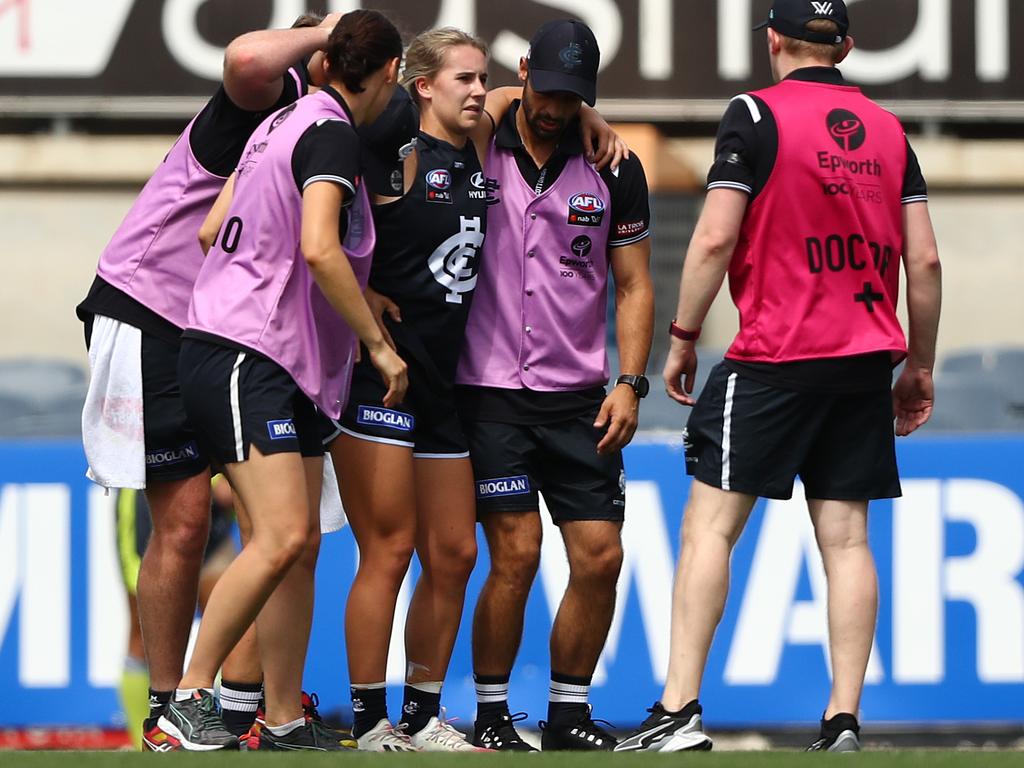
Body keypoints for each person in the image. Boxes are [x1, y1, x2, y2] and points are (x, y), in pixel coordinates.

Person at [615, 0, 941, 753]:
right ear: (848, 48)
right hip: (863, 363)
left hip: (774, 358)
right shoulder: (889, 132)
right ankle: (843, 720)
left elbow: (714, 236)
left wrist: (683, 335)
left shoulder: (754, 115)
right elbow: (923, 261)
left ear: (773, 41)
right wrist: (917, 364)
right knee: (848, 540)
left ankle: (678, 710)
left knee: (710, 529)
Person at [331, 27, 629, 752]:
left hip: (444, 382)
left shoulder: (478, 140)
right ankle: (366, 720)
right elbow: (319, 222)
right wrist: (361, 292)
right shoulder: (394, 146)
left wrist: (579, 110)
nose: (477, 88)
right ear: (420, 86)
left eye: (480, 78)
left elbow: (508, 97)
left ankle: (421, 714)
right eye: (461, 78)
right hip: (385, 375)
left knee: (456, 556)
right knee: (390, 550)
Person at [75, 11, 342, 747]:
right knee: (185, 521)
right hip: (151, 306)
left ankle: (255, 706)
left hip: (230, 334)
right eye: (334, 50)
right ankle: (168, 706)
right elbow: (248, 55)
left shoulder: (338, 131)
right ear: (312, 55)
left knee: (281, 533)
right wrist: (323, 36)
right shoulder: (264, 97)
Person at [156, 10, 407, 751]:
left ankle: (285, 717)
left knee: (298, 546)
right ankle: (187, 702)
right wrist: (376, 343)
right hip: (247, 353)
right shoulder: (330, 132)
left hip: (274, 356)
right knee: (284, 533)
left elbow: (214, 230)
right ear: (390, 73)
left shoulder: (281, 122)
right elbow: (321, 249)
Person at [455, 19, 655, 752]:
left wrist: (630, 381)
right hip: (490, 391)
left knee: (601, 555)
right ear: (523, 71)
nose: (557, 109)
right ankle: (492, 715)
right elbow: (476, 101)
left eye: (575, 99)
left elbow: (633, 287)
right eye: (546, 91)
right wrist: (520, 96)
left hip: (580, 396)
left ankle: (568, 714)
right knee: (516, 554)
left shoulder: (614, 168)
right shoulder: (482, 141)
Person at [114, 477, 261, 749]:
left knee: (235, 625)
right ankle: (148, 739)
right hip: (155, 495)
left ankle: (225, 727)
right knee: (143, 636)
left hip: (214, 502)